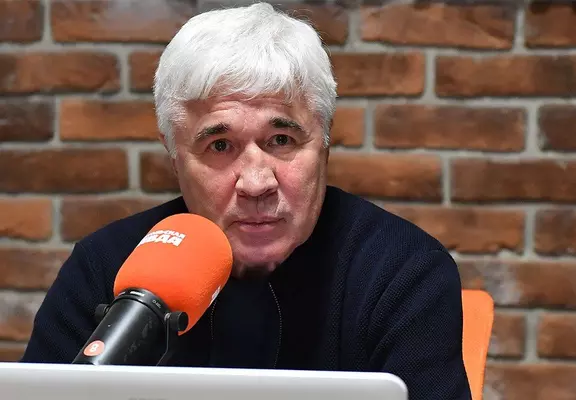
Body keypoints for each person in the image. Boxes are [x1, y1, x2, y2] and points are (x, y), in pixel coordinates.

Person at [20, 3, 471, 399]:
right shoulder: (106, 267)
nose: (256, 183)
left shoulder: (402, 271)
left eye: (281, 140)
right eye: (220, 146)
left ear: (325, 144)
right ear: (174, 157)